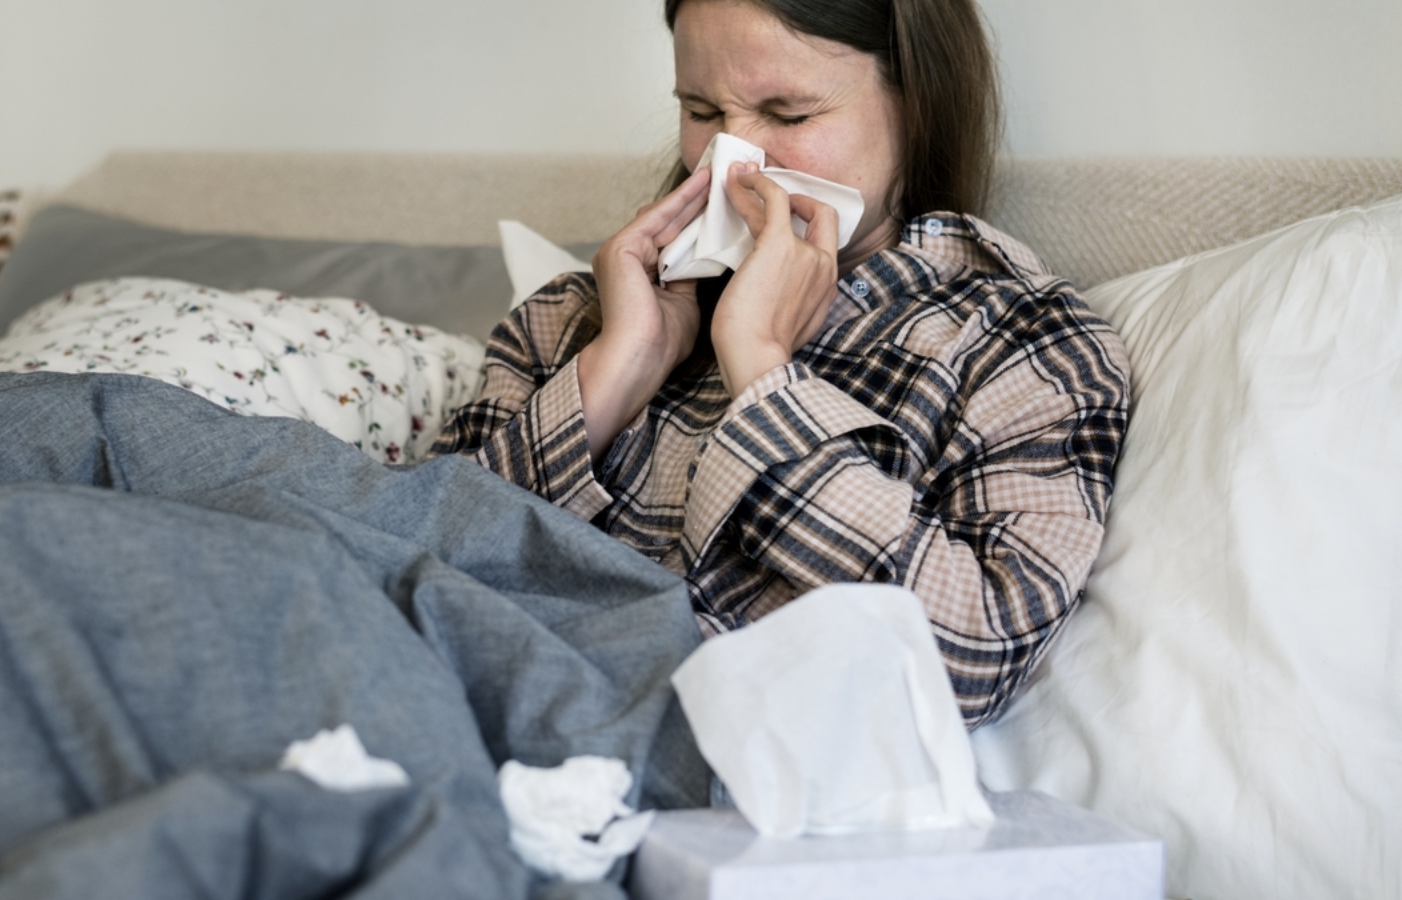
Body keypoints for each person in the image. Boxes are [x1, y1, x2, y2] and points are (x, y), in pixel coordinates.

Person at [432, 0, 1130, 728]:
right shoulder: (571, 319)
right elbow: (402, 559)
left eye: (788, 115)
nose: (733, 161)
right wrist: (620, 368)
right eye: (701, 109)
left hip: (656, 768)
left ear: (917, 106)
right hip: (430, 695)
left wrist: (763, 373)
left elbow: (970, 661)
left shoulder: (1025, 346)